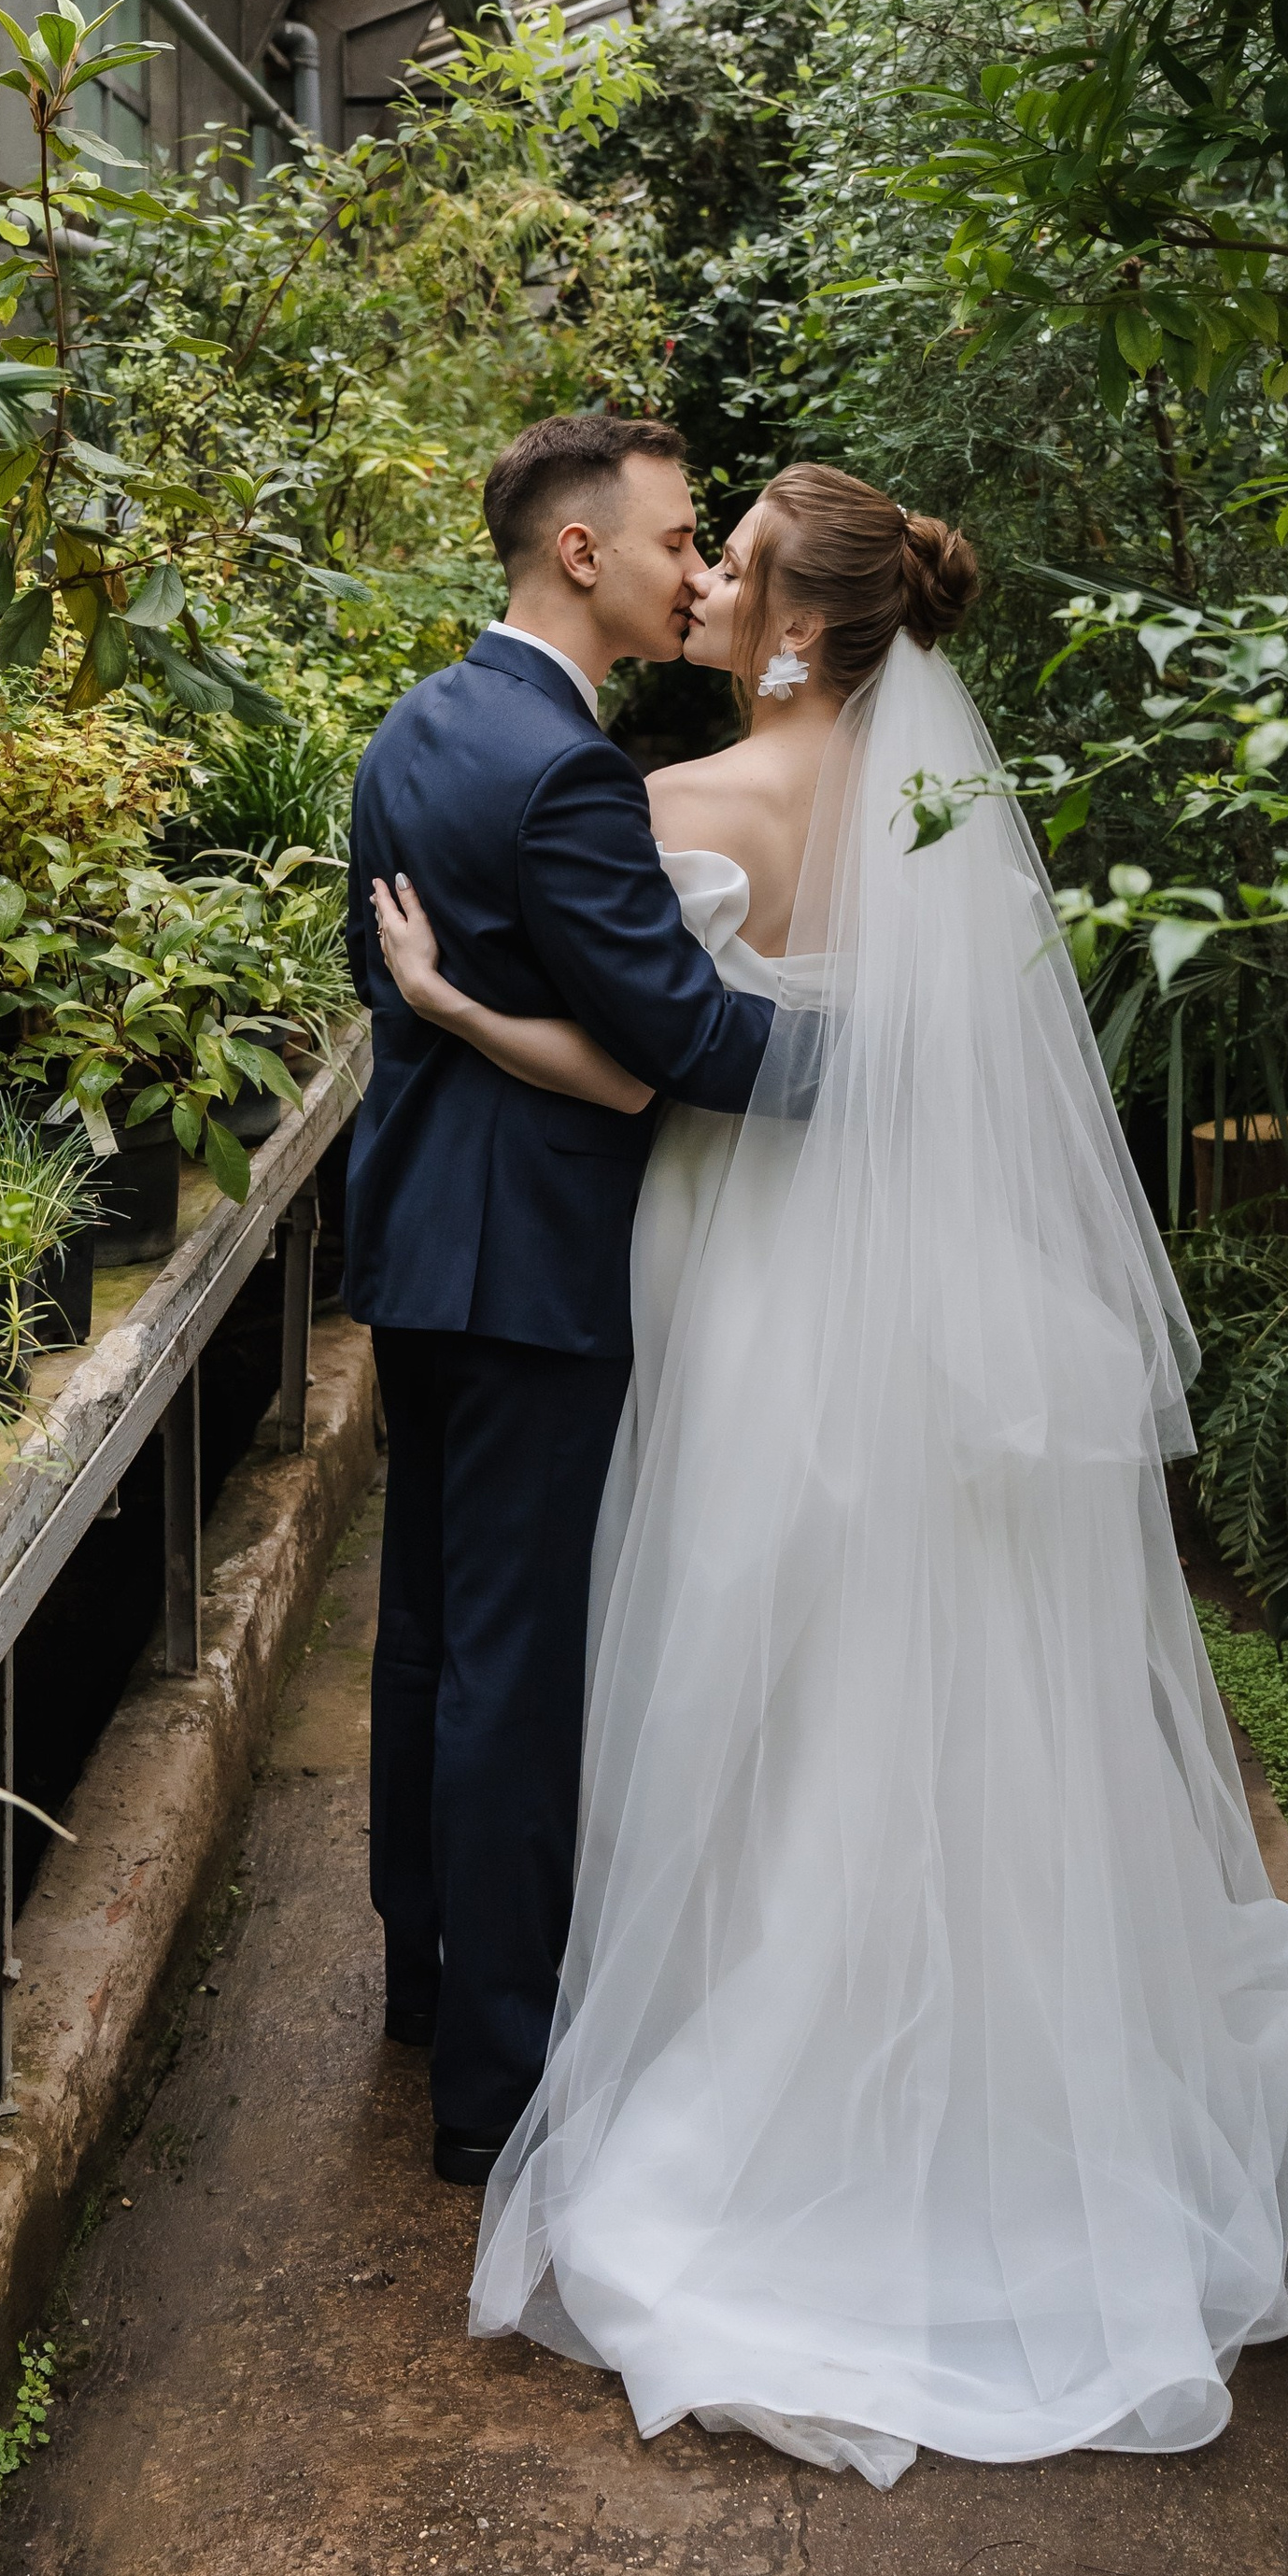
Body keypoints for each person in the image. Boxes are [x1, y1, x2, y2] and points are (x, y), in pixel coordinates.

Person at [369, 462, 1288, 2482]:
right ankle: (952, 2032)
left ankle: (699, 2025)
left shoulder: (670, 805)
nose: (700, 579)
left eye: (724, 563)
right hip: (898, 1270)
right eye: (690, 548)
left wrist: (455, 1003)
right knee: (894, 1634)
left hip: (737, 1257)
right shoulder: (942, 822)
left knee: (720, 1626)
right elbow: (933, 1056)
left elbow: (657, 1061)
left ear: (795, 631)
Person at [343, 415, 782, 2187]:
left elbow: (393, 983)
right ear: (580, 553)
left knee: (431, 1634)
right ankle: (496, 2097)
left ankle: (424, 1987)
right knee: (516, 1671)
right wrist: (897, 1058)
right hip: (534, 1267)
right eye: (680, 540)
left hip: (421, 1245)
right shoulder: (569, 773)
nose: (697, 571)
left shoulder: (417, 725)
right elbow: (679, 1034)